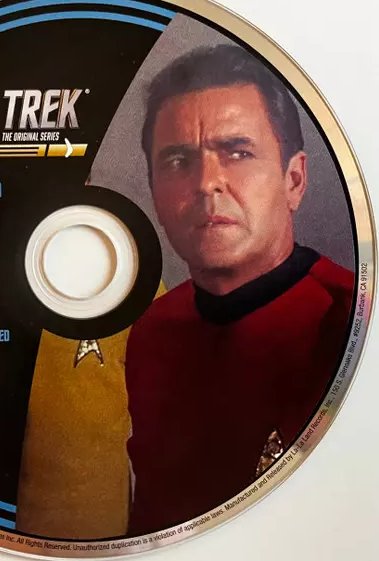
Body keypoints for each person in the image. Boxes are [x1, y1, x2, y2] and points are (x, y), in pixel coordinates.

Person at [125, 45, 354, 535]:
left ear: (294, 180)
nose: (207, 183)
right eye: (177, 160)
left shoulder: (355, 325)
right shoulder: (150, 332)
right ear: (154, 192)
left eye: (238, 152)